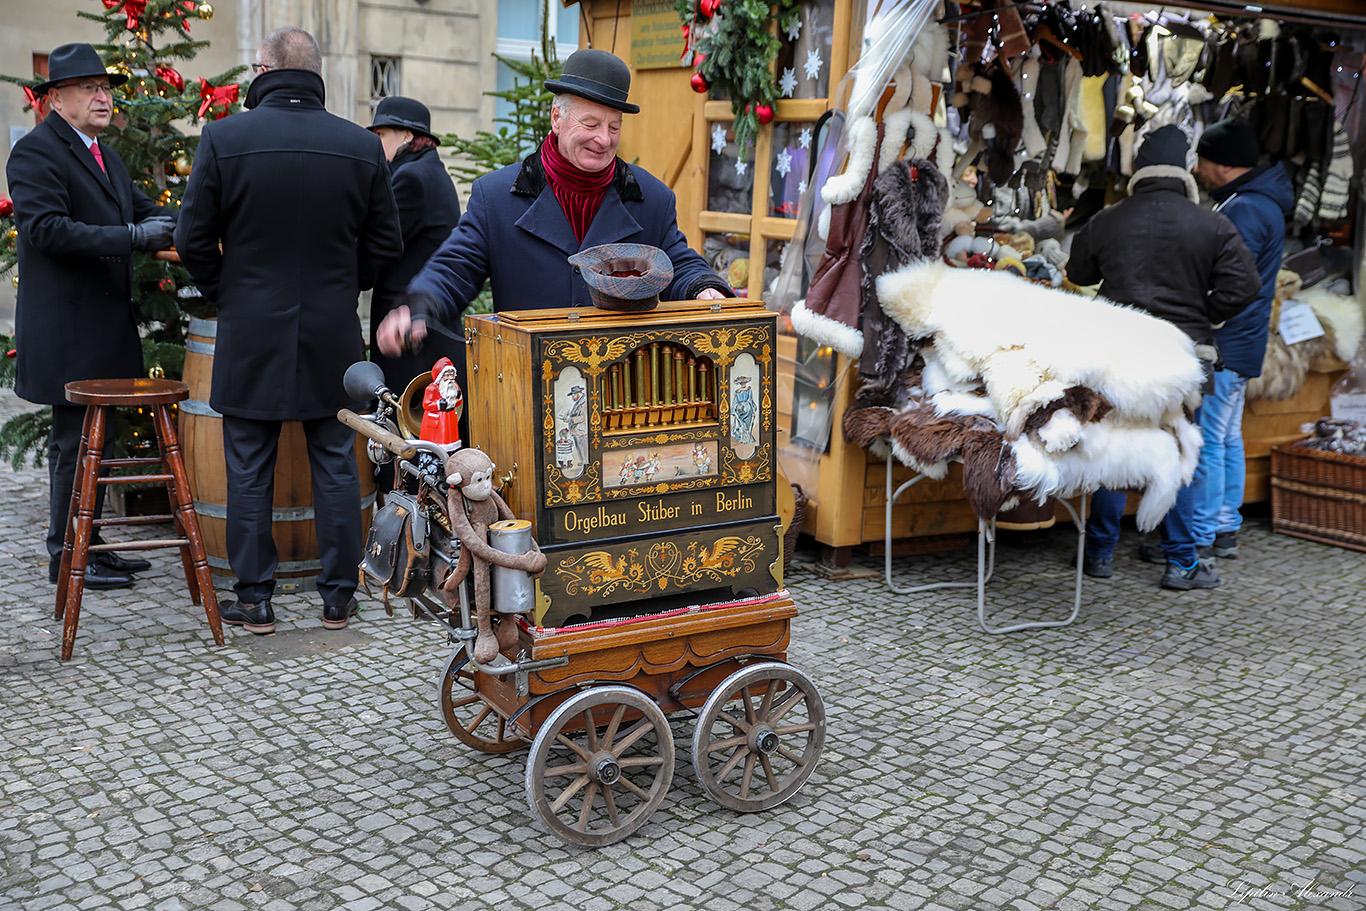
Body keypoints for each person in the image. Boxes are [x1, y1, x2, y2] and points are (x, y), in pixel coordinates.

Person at [175, 27, 402, 634]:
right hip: (331, 329)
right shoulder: (359, 146)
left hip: (249, 328)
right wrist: (337, 288)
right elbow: (386, 243)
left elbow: (190, 240)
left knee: (247, 465)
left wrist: (231, 290)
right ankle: (337, 598)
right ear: (316, 72)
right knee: (335, 460)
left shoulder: (225, 138)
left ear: (264, 67)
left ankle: (255, 601)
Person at [374, 48, 732, 370]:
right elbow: (454, 266)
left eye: (613, 127)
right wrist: (419, 305)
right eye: (590, 124)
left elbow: (677, 261)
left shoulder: (651, 198)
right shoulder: (497, 197)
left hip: (620, 393)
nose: (603, 139)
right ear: (556, 118)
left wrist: (703, 287)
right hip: (527, 388)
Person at [6, 42, 178, 591]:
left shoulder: (105, 152)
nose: (104, 97)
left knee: (95, 446)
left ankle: (92, 545)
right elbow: (47, 231)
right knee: (71, 446)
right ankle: (65, 557)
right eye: (90, 88)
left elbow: (143, 210)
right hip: (67, 332)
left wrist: (193, 220)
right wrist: (133, 238)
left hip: (103, 329)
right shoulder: (36, 153)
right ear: (56, 98)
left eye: (106, 88)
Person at [1066, 125, 1260, 591]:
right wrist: (1204, 313)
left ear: (1138, 169)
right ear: (1186, 169)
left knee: (1112, 449)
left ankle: (1098, 554)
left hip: (1119, 353)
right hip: (1183, 355)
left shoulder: (1107, 220)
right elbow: (1246, 286)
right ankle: (1182, 563)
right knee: (1181, 452)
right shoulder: (1212, 222)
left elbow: (1077, 272)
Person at [1188, 118, 1292, 562]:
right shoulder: (1250, 201)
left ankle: (1201, 535)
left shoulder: (1245, 208)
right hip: (1244, 340)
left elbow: (1234, 283)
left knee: (1211, 438)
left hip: (1227, 342)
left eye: (1204, 160)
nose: (1197, 168)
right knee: (1227, 435)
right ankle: (1225, 524)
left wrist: (1201, 317)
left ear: (1225, 165)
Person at [365, 96, 466, 440]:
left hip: (408, 325)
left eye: (381, 134)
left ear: (407, 136)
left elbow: (380, 243)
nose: (377, 143)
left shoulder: (410, 178)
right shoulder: (430, 171)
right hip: (425, 319)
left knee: (406, 431)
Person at [419, 358, 462, 447]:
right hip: (438, 420)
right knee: (439, 441)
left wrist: (458, 398)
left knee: (451, 438)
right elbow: (426, 404)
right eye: (447, 375)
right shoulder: (431, 388)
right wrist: (439, 404)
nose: (450, 378)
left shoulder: (454, 387)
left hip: (450, 417)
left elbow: (455, 402)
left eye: (452, 375)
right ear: (441, 376)